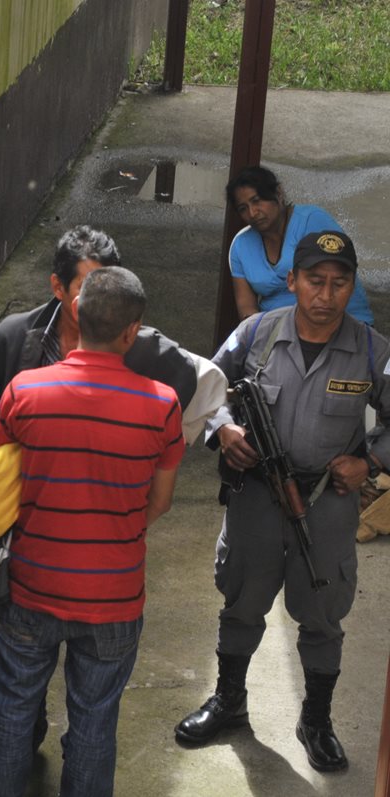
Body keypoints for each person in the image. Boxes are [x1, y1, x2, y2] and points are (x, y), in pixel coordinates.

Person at [174, 231, 390, 773]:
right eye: (315, 281)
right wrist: (223, 432)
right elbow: (206, 390)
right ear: (291, 282)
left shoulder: (373, 350)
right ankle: (229, 702)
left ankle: (315, 719)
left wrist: (372, 462)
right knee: (242, 599)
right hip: (256, 497)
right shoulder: (257, 333)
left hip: (329, 501)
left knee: (323, 607)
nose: (327, 293)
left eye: (340, 283)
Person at [0, 267, 184, 797]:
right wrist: (111, 531)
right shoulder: (162, 405)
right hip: (113, 599)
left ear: (77, 312)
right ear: (131, 331)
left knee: (10, 718)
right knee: (93, 728)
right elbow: (158, 502)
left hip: (29, 588)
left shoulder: (24, 390)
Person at [0, 225, 225, 462]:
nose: (97, 298)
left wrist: (155, 460)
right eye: (84, 287)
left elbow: (210, 382)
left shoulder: (143, 345)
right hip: (26, 501)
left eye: (107, 288)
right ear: (57, 287)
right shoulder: (13, 336)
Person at [227, 165, 373, 324]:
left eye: (257, 201)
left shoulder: (313, 221)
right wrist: (256, 334)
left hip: (338, 322)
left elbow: (337, 281)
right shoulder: (241, 245)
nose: (252, 213)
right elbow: (246, 307)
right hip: (277, 332)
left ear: (278, 193)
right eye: (243, 208)